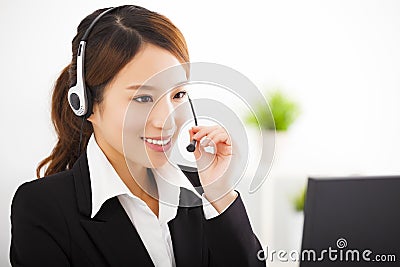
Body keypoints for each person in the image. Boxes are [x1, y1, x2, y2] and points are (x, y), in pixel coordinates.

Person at [10, 5, 265, 267]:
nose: (166, 120)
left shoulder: (201, 193)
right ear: (85, 104)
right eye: (143, 98)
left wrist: (220, 194)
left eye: (178, 95)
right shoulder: (42, 208)